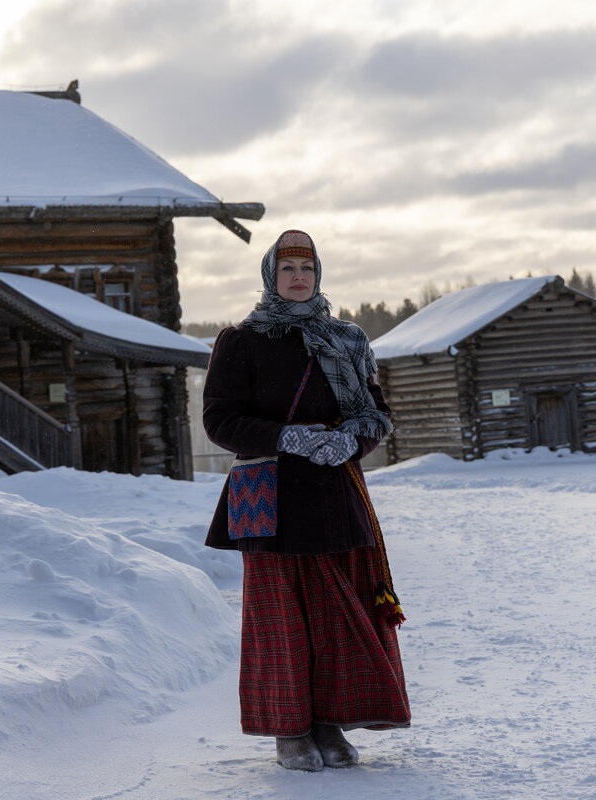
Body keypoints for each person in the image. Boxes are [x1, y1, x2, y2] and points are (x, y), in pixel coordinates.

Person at [202, 229, 410, 771]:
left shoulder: (347, 340)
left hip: (332, 491)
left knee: (335, 613)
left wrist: (351, 440)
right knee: (280, 619)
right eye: (288, 268)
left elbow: (376, 414)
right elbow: (219, 421)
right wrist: (285, 436)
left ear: (319, 276)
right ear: (271, 275)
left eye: (308, 269)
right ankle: (288, 731)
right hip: (268, 496)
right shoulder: (241, 341)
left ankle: (327, 722)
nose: (299, 277)